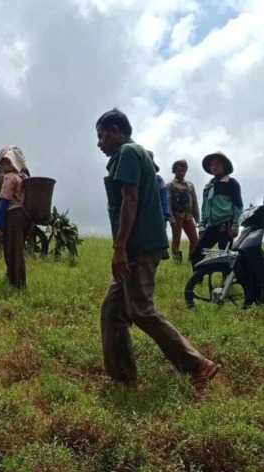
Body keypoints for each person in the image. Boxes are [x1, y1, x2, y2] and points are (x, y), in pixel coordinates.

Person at [95, 108, 218, 389]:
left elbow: (130, 199)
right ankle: (124, 378)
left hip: (138, 245)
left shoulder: (128, 152)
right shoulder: (132, 155)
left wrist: (120, 247)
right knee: (112, 310)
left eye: (102, 136)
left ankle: (198, 365)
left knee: (140, 310)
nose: (99, 143)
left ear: (115, 131)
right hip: (136, 245)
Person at [193, 151, 242, 265]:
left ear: (224, 165)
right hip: (210, 226)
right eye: (211, 164)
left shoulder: (232, 183)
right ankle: (197, 277)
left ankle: (228, 277)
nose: (214, 167)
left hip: (225, 225)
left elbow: (238, 206)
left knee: (225, 258)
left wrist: (235, 225)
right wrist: (201, 226)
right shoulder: (208, 186)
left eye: (217, 163)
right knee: (196, 255)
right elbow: (204, 207)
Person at [0, 146, 30, 288]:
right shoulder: (23, 176)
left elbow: (4, 202)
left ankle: (16, 282)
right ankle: (17, 281)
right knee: (17, 249)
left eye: (4, 162)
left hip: (13, 215)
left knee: (11, 249)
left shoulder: (9, 178)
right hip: (24, 216)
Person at [166, 160, 199, 263]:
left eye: (183, 171)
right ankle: (177, 263)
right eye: (179, 171)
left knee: (195, 239)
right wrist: (170, 217)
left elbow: (194, 201)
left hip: (188, 215)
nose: (181, 173)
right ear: (174, 171)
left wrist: (197, 218)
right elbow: (168, 201)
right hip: (176, 215)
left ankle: (192, 260)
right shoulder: (170, 184)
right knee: (176, 240)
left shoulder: (190, 185)